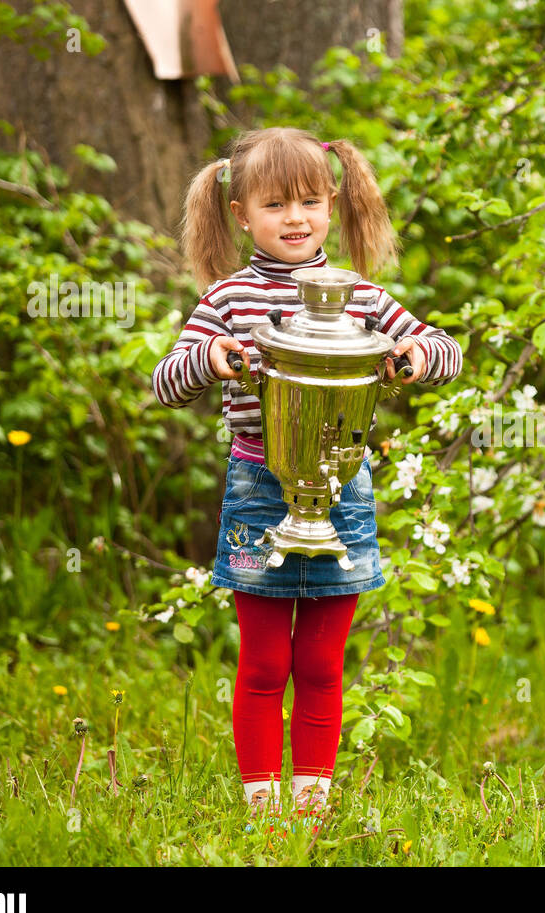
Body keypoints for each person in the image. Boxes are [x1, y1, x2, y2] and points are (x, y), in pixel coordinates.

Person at [151, 127, 462, 831]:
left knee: (322, 663)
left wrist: (413, 354)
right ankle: (264, 812)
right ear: (240, 214)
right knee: (263, 663)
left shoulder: (360, 299)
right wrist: (213, 359)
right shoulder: (227, 302)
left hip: (344, 492)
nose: (295, 219)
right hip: (259, 490)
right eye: (274, 205)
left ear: (332, 202)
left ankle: (312, 812)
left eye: (310, 202)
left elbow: (447, 349)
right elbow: (165, 382)